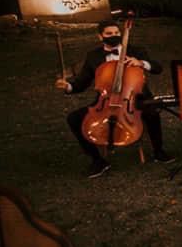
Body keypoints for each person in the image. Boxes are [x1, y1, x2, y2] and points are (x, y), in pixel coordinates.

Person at [55, 20, 174, 178]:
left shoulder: (136, 51)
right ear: (100, 36)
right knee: (74, 118)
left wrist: (141, 63)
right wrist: (68, 86)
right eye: (109, 33)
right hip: (105, 101)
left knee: (152, 111)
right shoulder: (93, 56)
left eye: (117, 33)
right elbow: (82, 82)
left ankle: (158, 151)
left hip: (134, 98)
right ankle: (97, 160)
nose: (114, 36)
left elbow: (157, 68)